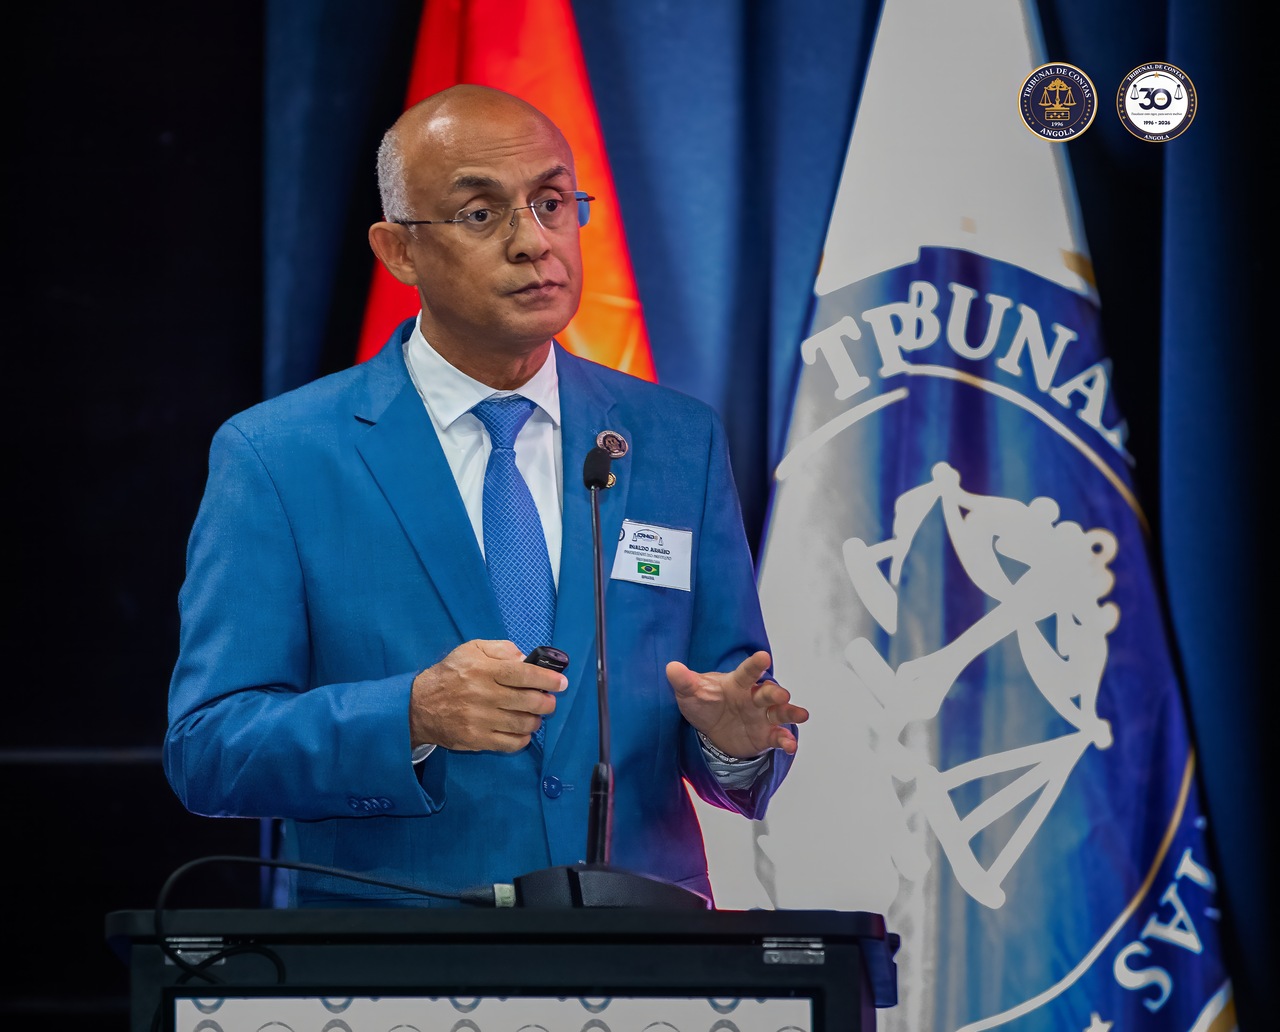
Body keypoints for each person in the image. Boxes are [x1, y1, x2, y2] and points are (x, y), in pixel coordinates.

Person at [164, 84, 807, 907]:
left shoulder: (676, 439)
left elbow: (722, 698)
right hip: (399, 952)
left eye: (552, 203)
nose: (533, 242)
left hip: (641, 947)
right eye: (480, 213)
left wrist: (736, 745)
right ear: (398, 251)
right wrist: (410, 714)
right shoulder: (279, 456)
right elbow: (209, 750)